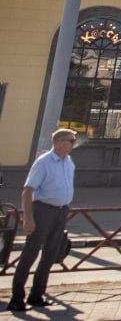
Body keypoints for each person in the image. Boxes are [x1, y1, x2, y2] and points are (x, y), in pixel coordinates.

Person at [7, 128, 76, 313]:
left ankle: (37, 295)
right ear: (60, 141)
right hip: (43, 210)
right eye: (71, 140)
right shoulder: (44, 162)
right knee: (31, 252)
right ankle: (16, 298)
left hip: (61, 211)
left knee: (50, 254)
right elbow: (28, 190)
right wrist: (27, 218)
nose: (73, 144)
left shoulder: (68, 162)